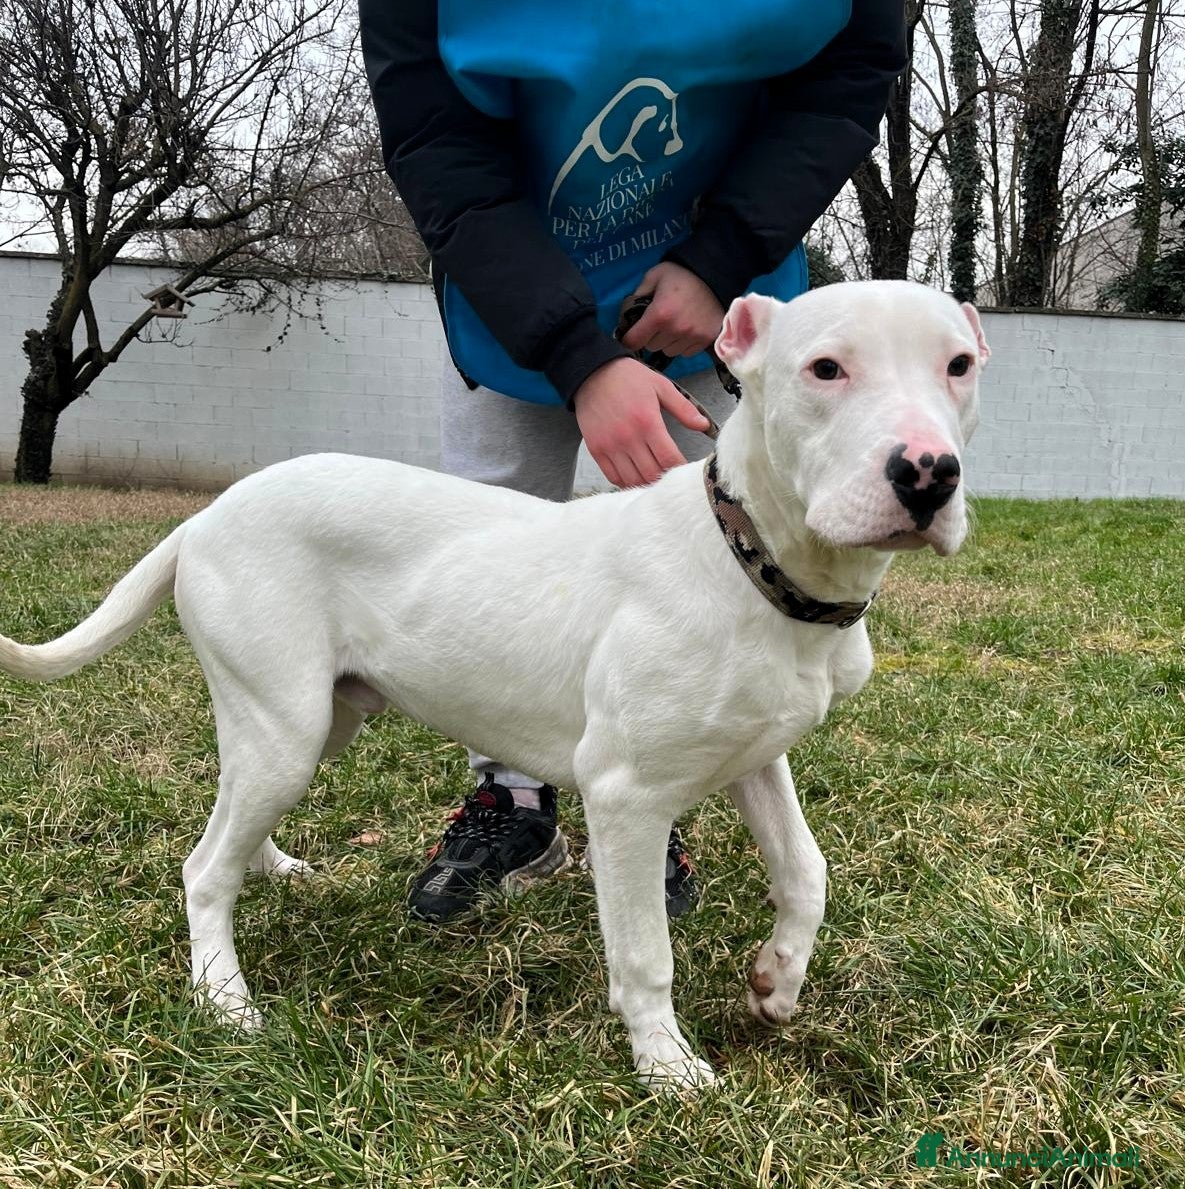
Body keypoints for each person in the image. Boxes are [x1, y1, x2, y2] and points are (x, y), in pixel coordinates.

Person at [360, 0, 907, 923]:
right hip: (512, 286)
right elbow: (438, 147)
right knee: (493, 531)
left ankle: (653, 781)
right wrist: (573, 352)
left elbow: (845, 79)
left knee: (717, 566)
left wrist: (720, 255)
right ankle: (512, 798)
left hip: (724, 269)